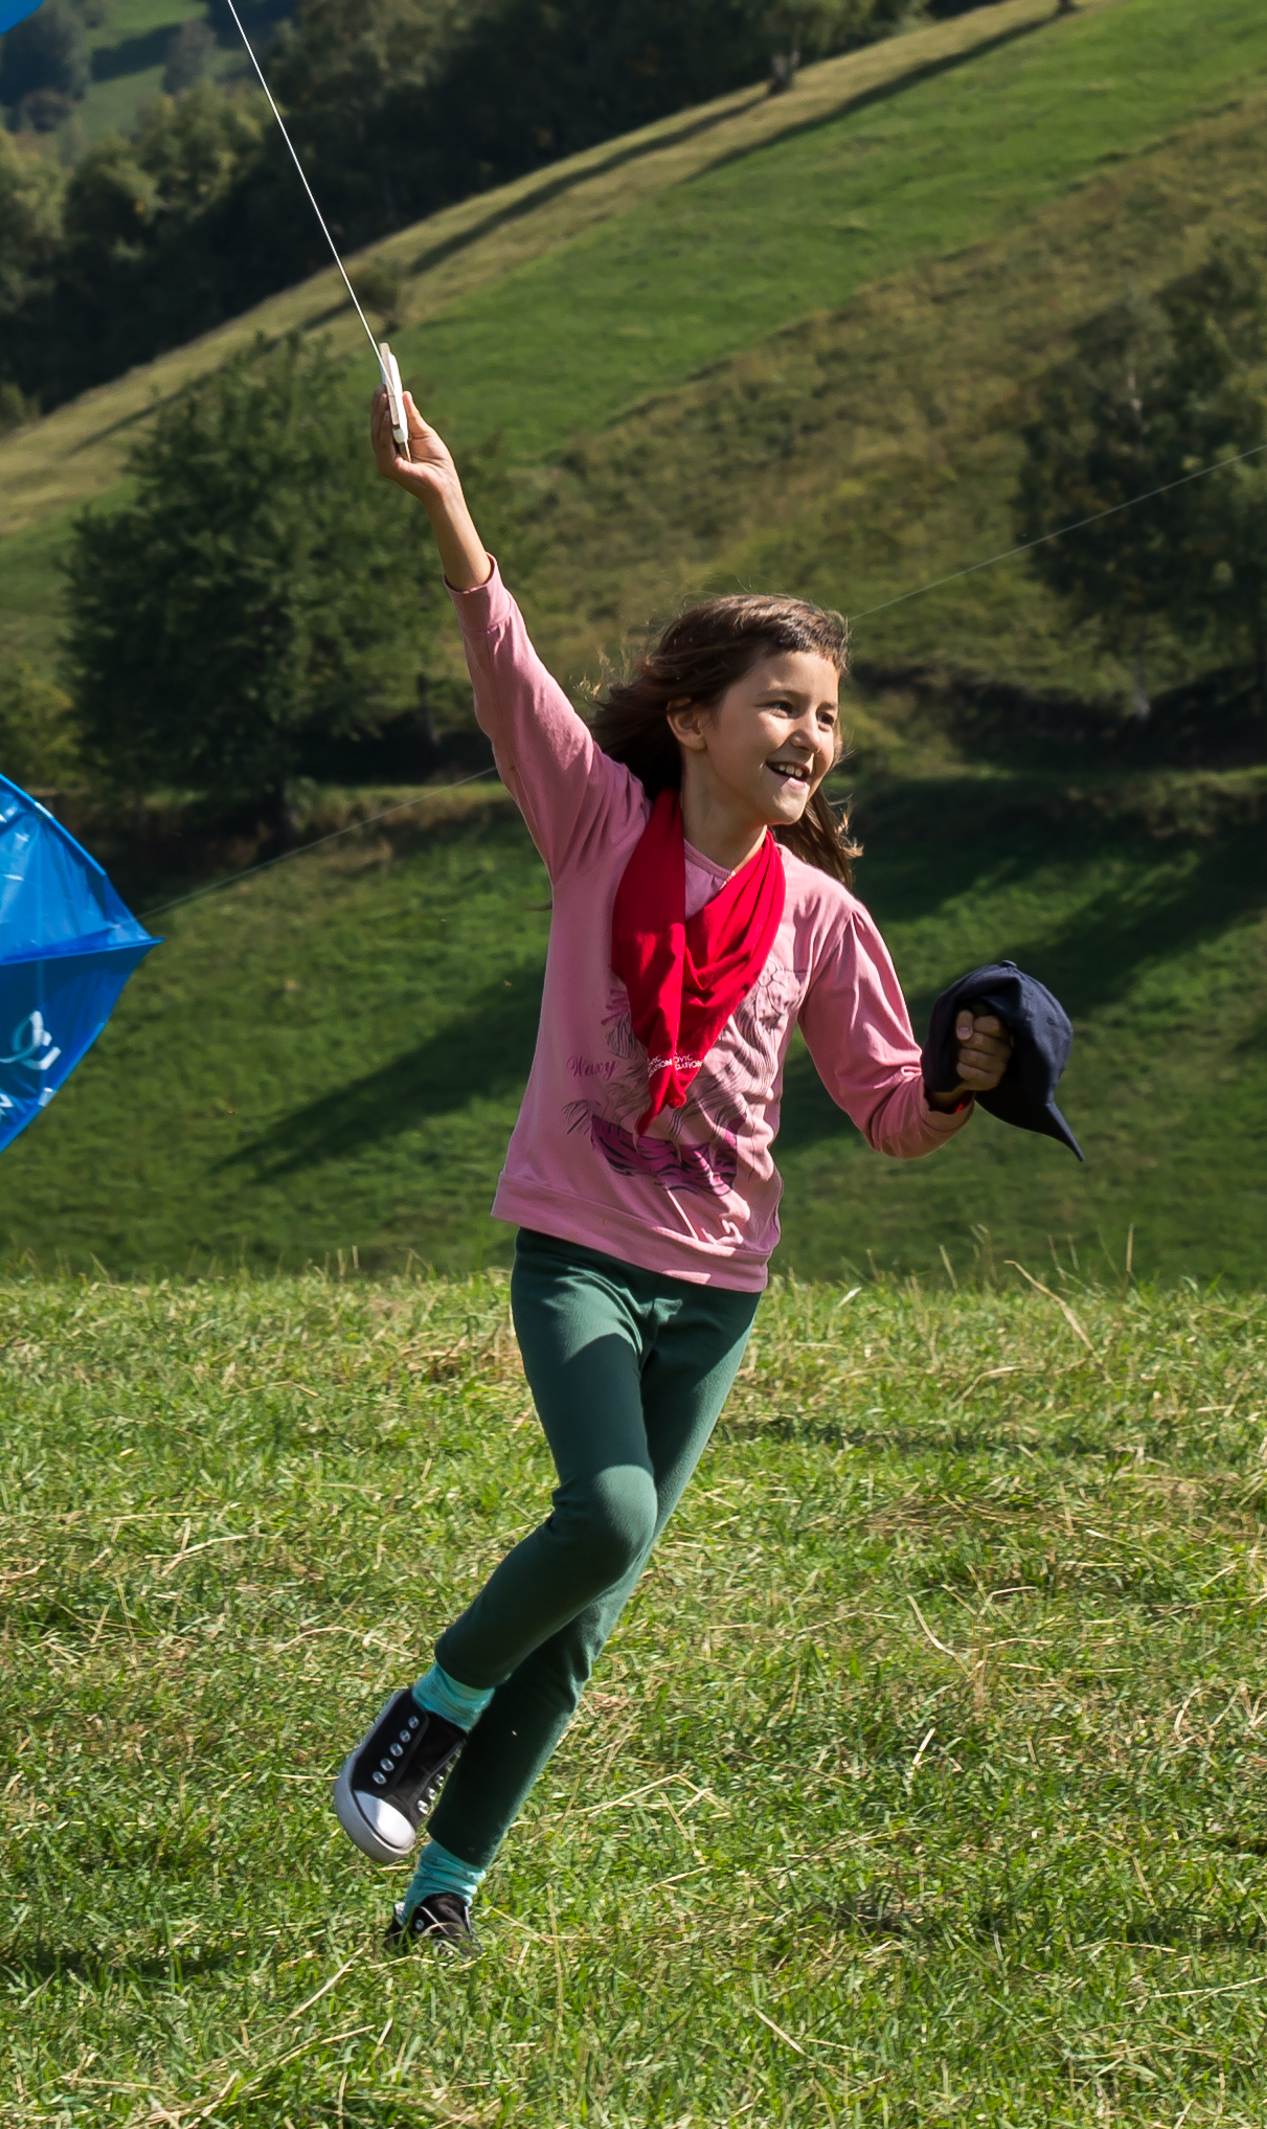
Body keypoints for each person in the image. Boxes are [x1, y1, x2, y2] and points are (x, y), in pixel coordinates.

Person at [326, 379, 1019, 1957]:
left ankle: (444, 1896)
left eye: (830, 714)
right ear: (696, 720)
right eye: (783, 703)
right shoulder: (594, 822)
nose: (812, 734)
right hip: (581, 1246)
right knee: (611, 1517)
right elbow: (508, 675)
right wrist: (447, 506)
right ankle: (423, 1711)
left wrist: (970, 1079)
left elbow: (895, 1111)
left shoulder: (826, 919)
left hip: (717, 1290)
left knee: (583, 1631)